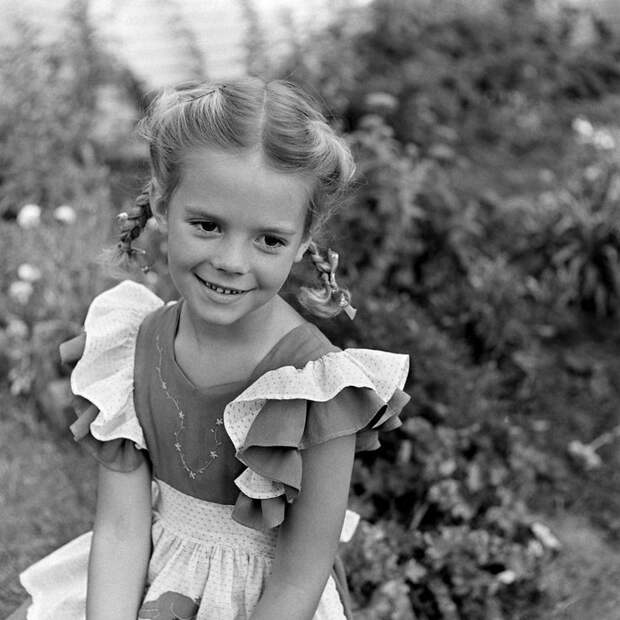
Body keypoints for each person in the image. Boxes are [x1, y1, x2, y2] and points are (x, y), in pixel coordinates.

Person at [12, 78, 410, 620]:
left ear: (303, 241)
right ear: (162, 205)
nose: (231, 261)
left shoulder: (316, 389)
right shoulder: (133, 347)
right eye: (207, 225)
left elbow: (299, 581)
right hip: (145, 576)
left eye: (269, 239)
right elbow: (122, 530)